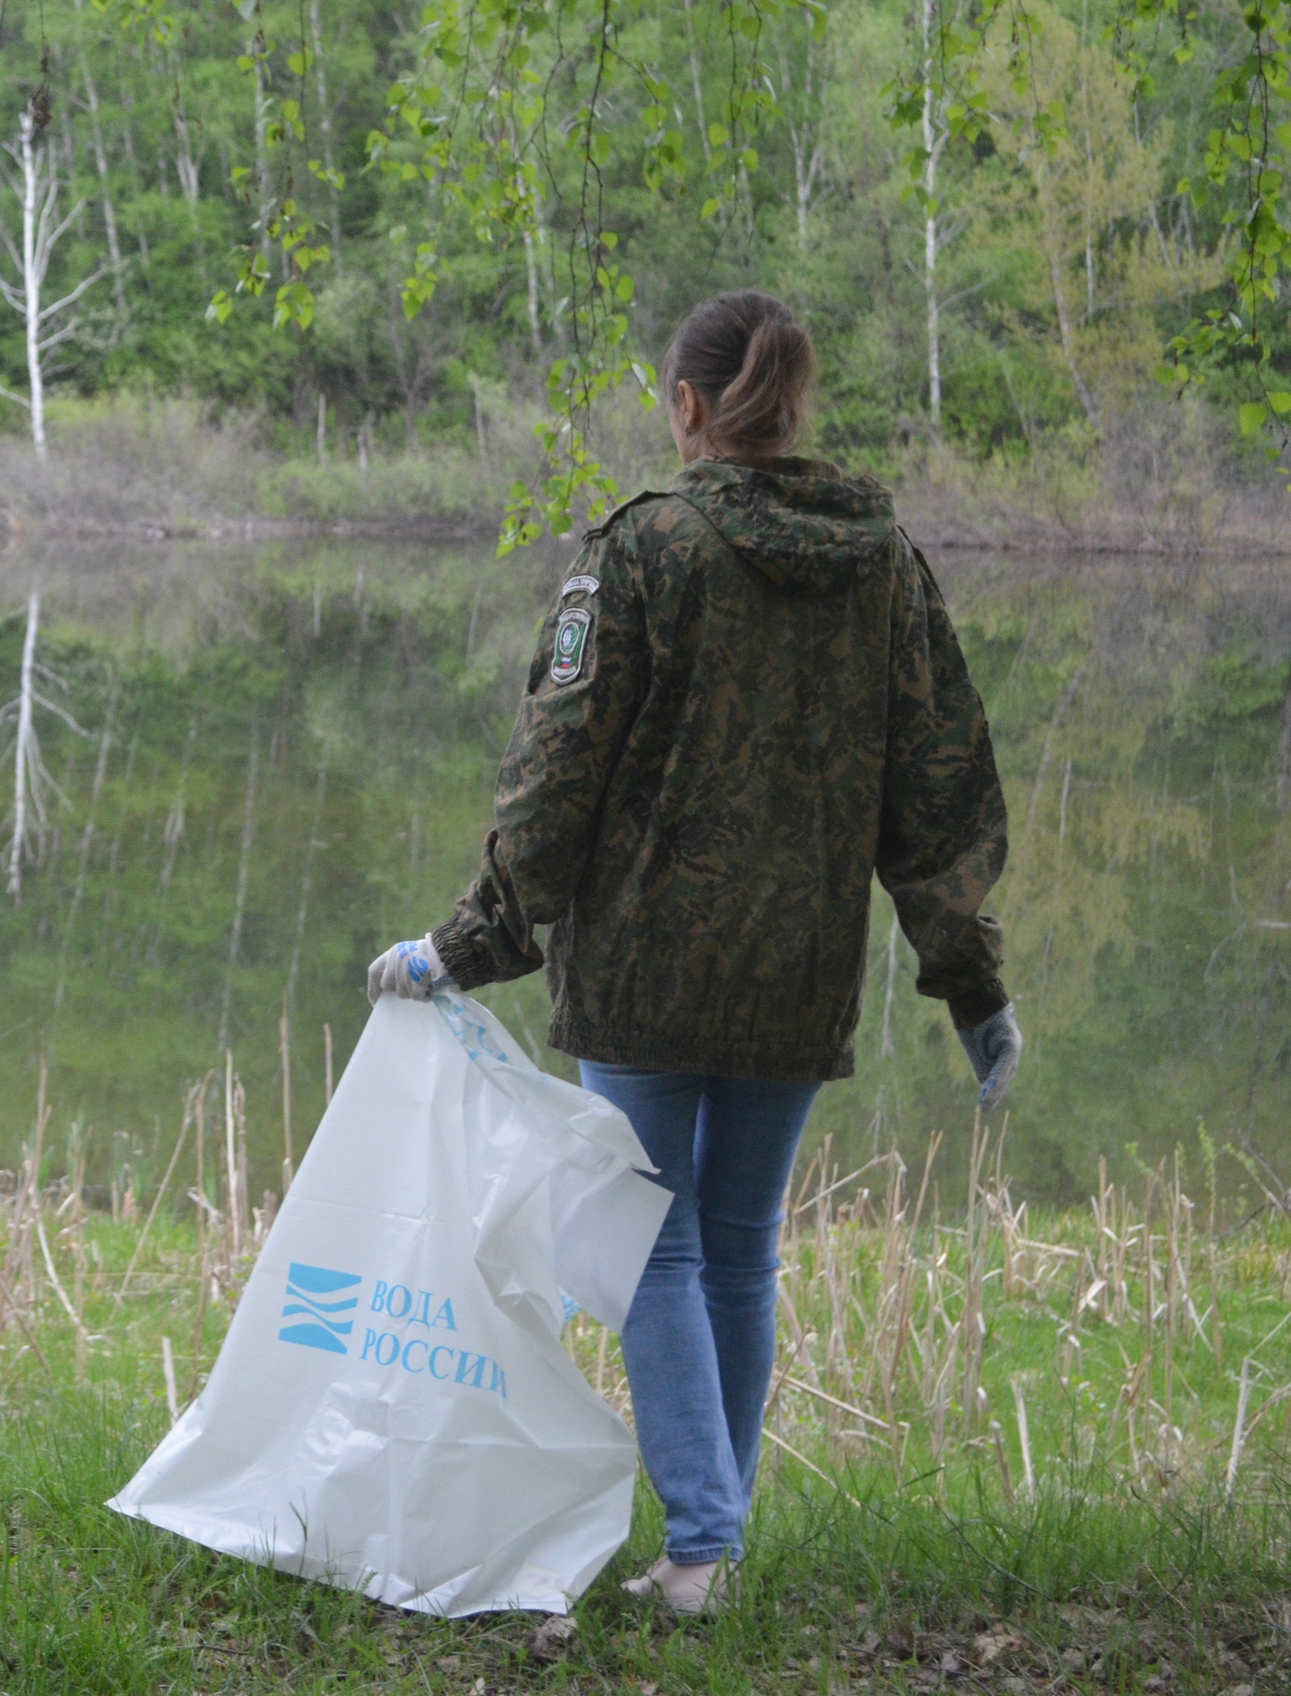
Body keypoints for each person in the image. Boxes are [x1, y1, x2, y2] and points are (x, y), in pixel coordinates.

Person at [365, 290, 1021, 1614]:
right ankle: (715, 1535)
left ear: (687, 407)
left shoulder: (646, 548)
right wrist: (971, 981)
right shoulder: (881, 555)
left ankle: (702, 1550)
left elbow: (558, 770)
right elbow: (939, 780)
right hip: (797, 969)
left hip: (649, 969)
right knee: (735, 1244)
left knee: (655, 1246)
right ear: (795, 404)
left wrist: (470, 940)